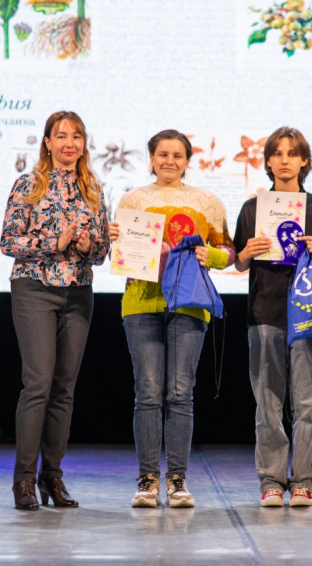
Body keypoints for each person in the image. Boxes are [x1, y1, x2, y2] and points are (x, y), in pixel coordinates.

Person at [109, 130, 235, 508]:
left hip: (189, 304)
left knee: (180, 394)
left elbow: (227, 251)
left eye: (177, 155)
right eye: (162, 154)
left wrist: (210, 256)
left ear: (187, 161)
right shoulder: (133, 200)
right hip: (142, 303)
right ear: (151, 159)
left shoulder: (206, 202)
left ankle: (177, 480)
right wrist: (117, 244)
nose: (169, 161)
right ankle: (148, 479)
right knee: (148, 394)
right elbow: (121, 254)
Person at [0, 111, 109, 510]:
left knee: (64, 389)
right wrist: (53, 242)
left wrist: (88, 246)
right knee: (38, 385)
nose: (69, 143)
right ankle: (24, 481)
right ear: (47, 142)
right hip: (35, 289)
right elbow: (8, 242)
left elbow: (102, 252)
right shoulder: (28, 184)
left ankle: (52, 478)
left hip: (78, 292)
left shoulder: (93, 189)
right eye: (61, 136)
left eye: (76, 136)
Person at [233, 127, 312, 507]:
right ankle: (271, 480)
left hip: (310, 315)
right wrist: (246, 252)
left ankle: (302, 482)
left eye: (292, 154)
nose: (284, 160)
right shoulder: (253, 208)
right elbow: (238, 262)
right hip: (264, 311)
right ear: (267, 161)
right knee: (268, 403)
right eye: (277, 154)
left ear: (303, 161)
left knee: (309, 402)